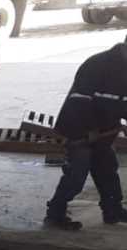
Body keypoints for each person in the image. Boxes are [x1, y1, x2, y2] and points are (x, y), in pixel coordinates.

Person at [42, 35, 127, 230]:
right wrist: (90, 130)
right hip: (79, 128)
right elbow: (79, 101)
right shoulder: (97, 64)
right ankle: (55, 214)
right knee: (76, 174)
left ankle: (112, 211)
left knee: (107, 170)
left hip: (105, 130)